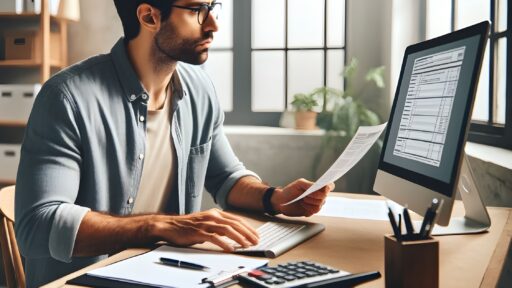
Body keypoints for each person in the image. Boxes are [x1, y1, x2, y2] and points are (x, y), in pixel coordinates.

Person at [14, 0, 334, 286]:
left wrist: (275, 199)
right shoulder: (67, 98)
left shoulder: (199, 89)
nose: (213, 24)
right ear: (149, 16)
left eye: (213, 7)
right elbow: (38, 226)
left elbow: (225, 177)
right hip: (82, 281)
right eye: (197, 11)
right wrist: (159, 226)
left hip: (170, 275)